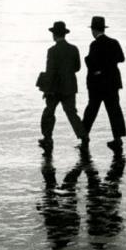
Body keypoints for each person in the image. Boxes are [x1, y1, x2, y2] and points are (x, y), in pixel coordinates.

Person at [38, 20, 89, 155]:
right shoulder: (74, 49)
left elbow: (50, 71)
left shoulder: (52, 51)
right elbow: (77, 67)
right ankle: (84, 137)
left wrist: (46, 89)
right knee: (72, 113)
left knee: (49, 113)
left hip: (54, 88)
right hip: (70, 86)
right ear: (65, 34)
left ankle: (47, 138)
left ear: (54, 35)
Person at [81, 16, 126, 153]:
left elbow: (91, 64)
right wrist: (108, 64)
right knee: (114, 111)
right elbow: (121, 58)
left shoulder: (94, 45)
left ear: (94, 30)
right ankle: (118, 139)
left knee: (91, 111)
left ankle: (84, 137)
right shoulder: (114, 42)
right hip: (112, 83)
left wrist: (91, 62)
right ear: (103, 28)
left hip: (97, 85)